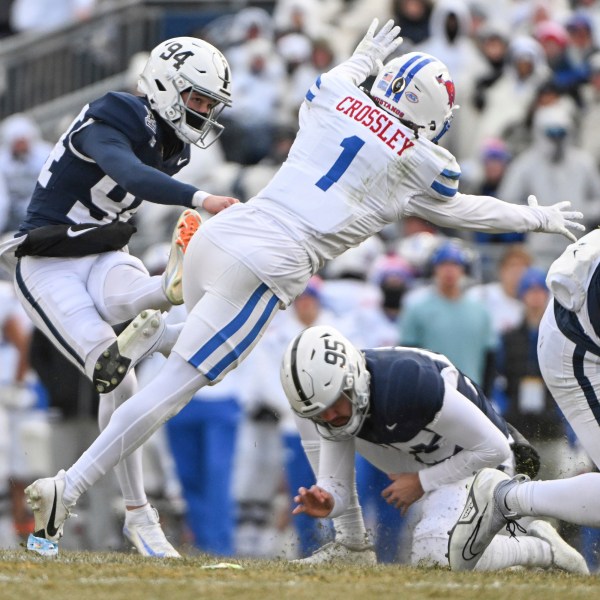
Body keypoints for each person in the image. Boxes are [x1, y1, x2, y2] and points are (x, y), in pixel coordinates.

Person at [22, 19, 585, 558]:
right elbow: (460, 208)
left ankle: (156, 332)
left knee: (182, 346)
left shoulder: (337, 91)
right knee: (169, 390)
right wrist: (530, 219)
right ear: (436, 115)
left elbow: (341, 83)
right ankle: (67, 489)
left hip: (225, 233)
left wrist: (363, 58)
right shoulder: (421, 161)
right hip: (271, 263)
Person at [0, 36, 238, 557]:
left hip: (105, 252)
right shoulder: (117, 113)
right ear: (164, 86)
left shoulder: (171, 143)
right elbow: (130, 174)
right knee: (116, 373)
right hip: (47, 262)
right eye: (196, 99)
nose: (202, 112)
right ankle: (138, 512)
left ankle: (164, 295)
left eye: (208, 104)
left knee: (137, 302)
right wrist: (201, 199)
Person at [280, 324, 587, 572]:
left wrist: (421, 482)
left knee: (434, 553)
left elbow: (492, 446)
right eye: (321, 412)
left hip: (485, 465)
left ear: (354, 380)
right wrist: (328, 497)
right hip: (432, 465)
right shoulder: (321, 404)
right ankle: (350, 545)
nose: (331, 417)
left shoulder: (407, 382)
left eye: (336, 403)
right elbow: (337, 482)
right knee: (445, 553)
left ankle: (541, 547)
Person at [447, 227, 600, 572]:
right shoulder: (510, 336)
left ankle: (517, 509)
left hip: (558, 416)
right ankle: (507, 501)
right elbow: (496, 377)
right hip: (576, 351)